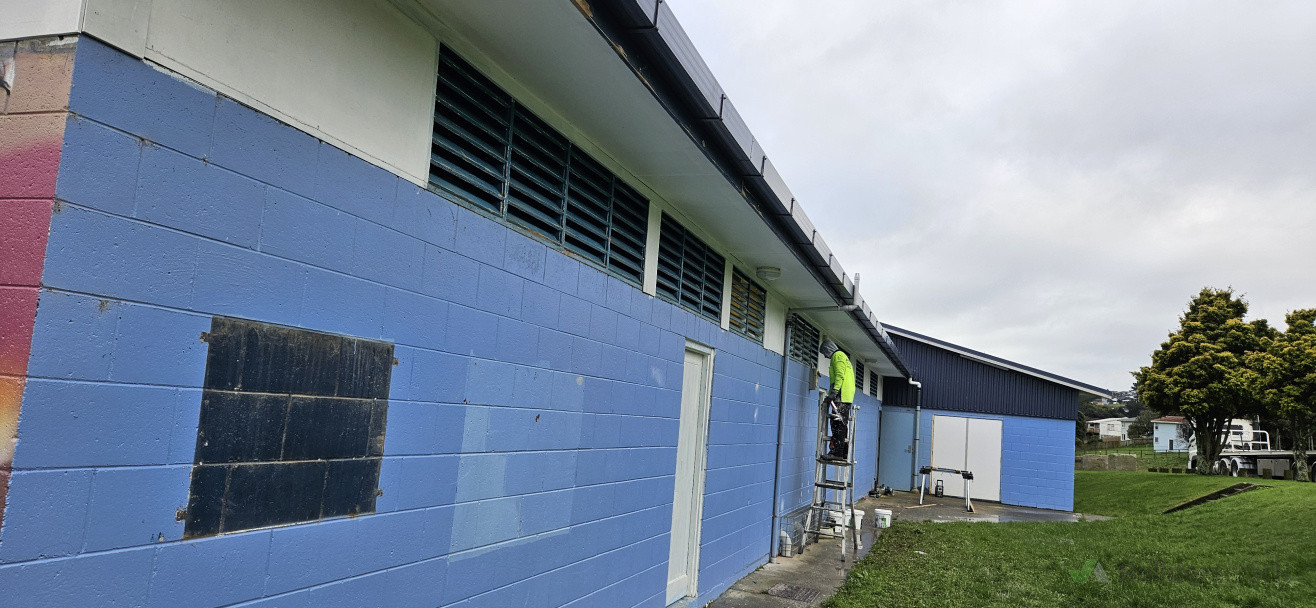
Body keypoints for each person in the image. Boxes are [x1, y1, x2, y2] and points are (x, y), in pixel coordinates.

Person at [820, 339, 854, 461]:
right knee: (842, 424)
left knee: (837, 424)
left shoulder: (837, 356)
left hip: (842, 394)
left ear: (828, 349)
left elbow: (840, 375)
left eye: (824, 352)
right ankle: (843, 452)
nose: (825, 356)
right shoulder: (843, 357)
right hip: (845, 394)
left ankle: (836, 453)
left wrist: (834, 393)